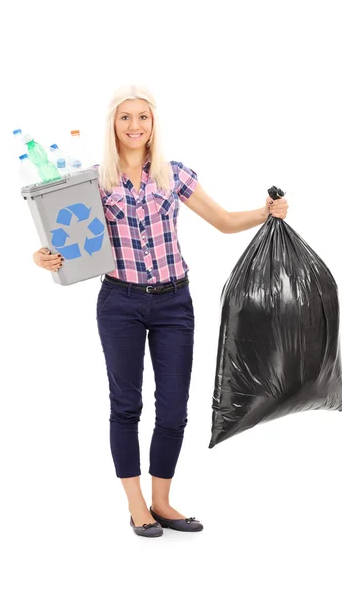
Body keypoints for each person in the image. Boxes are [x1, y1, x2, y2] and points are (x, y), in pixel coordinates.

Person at [32, 83, 288, 538]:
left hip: (174, 303)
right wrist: (44, 257)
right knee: (126, 404)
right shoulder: (94, 180)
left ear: (153, 124)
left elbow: (225, 221)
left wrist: (267, 212)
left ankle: (163, 501)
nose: (134, 125)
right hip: (120, 302)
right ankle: (136, 506)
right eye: (125, 117)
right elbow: (67, 240)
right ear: (113, 124)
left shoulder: (175, 174)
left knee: (173, 407)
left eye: (142, 117)